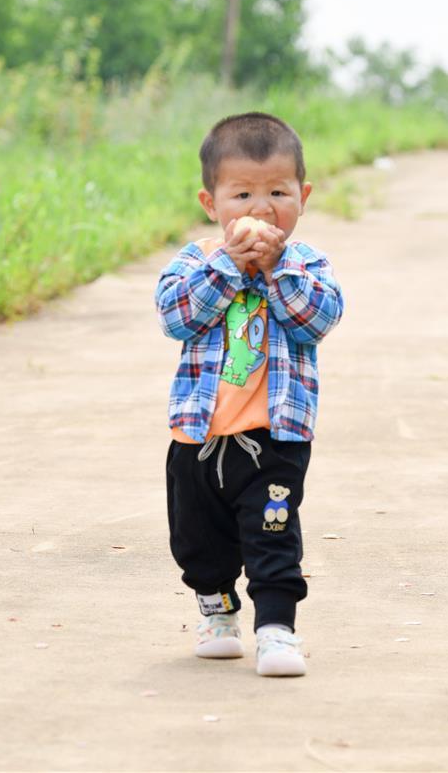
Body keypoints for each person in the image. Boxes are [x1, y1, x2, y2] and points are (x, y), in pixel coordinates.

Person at [155, 112, 344, 677]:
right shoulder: (197, 262)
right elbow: (175, 317)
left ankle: (277, 630)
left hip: (275, 438)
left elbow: (318, 320)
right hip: (199, 436)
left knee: (273, 534)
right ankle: (217, 612)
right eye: (242, 195)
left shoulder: (306, 264)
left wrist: (276, 266)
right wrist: (230, 267)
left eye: (278, 193)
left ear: (303, 197)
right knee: (197, 541)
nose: (261, 209)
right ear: (210, 203)